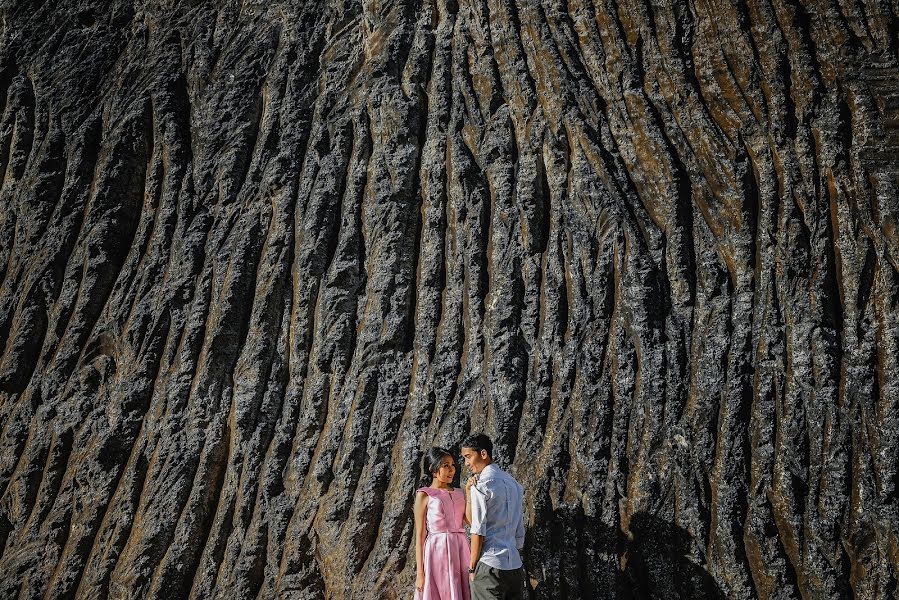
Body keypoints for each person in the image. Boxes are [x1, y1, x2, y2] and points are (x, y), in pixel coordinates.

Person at [461, 434, 525, 600]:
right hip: (514, 566)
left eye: (468, 457)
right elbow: (519, 527)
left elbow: (477, 529)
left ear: (483, 454)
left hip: (489, 564)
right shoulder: (514, 484)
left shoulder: (481, 485)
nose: (466, 464)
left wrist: (472, 567)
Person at [414, 447, 471, 600]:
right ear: (433, 470)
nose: (451, 470)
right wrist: (420, 573)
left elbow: (471, 522)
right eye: (446, 466)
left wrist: (469, 492)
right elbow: (419, 536)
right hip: (436, 550)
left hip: (461, 547)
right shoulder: (424, 494)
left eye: (452, 465)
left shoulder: (459, 492)